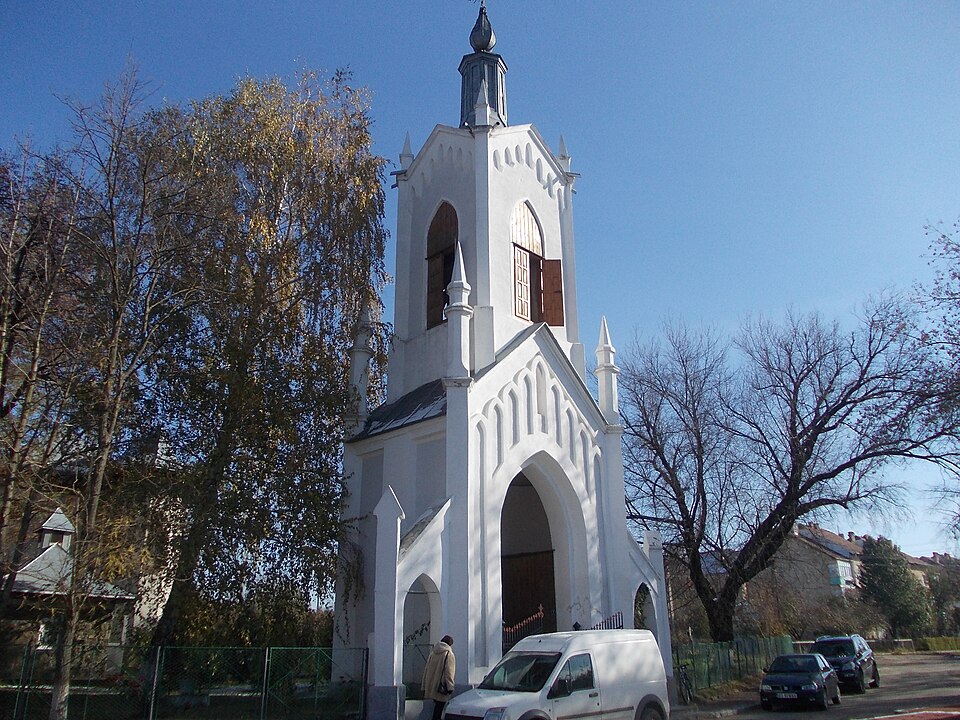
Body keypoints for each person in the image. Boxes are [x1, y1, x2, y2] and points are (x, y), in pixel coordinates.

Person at [422, 634, 455, 720]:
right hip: (442, 685)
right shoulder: (448, 654)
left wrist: (424, 685)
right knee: (440, 708)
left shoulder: (433, 653)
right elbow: (449, 672)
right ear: (450, 644)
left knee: (437, 706)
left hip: (432, 684)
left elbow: (427, 669)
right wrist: (450, 687)